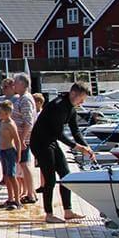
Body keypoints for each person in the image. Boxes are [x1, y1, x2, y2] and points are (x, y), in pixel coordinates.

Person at [29, 82, 96, 224]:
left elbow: (75, 131)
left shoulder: (71, 108)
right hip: (40, 143)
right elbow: (59, 134)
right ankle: (49, 214)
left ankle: (68, 211)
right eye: (82, 98)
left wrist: (87, 147)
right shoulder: (58, 106)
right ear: (73, 94)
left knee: (66, 175)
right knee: (50, 179)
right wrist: (77, 148)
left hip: (51, 141)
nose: (83, 102)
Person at [11, 73, 38, 204]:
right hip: (21, 138)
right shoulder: (23, 98)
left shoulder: (25, 99)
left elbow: (28, 121)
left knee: (24, 165)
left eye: (15, 83)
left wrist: (21, 139)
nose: (13, 85)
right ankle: (30, 192)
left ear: (22, 84)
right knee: (23, 165)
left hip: (24, 139)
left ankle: (30, 194)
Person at [0, 101, 22, 208]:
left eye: (0, 113)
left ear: (7, 113)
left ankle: (17, 200)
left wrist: (19, 155)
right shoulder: (3, 122)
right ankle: (10, 198)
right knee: (6, 176)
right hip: (3, 151)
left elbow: (17, 140)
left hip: (10, 151)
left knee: (12, 176)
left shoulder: (11, 124)